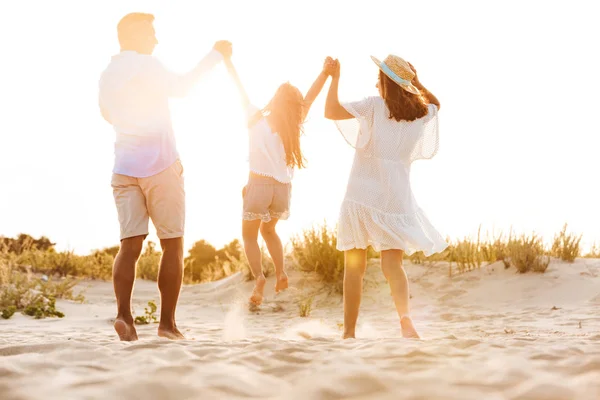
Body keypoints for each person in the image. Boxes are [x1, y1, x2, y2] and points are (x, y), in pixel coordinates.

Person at [98, 12, 231, 341]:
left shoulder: (107, 74)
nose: (155, 40)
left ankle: (124, 317)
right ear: (133, 36)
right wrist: (216, 54)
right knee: (173, 244)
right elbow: (184, 87)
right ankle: (167, 325)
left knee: (129, 246)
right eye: (150, 34)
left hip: (123, 168)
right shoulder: (147, 64)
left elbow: (106, 114)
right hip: (160, 165)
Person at [323, 55, 448, 339]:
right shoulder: (419, 113)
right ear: (404, 82)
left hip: (362, 195)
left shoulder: (373, 106)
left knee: (354, 267)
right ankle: (405, 321)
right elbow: (437, 105)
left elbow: (330, 111)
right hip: (396, 198)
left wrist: (335, 78)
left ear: (383, 81)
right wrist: (416, 81)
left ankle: (349, 332)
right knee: (393, 265)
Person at [224, 55, 332, 305]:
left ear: (275, 100)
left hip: (258, 183)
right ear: (294, 106)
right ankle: (281, 273)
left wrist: (228, 62)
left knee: (250, 236)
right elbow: (310, 97)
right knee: (269, 230)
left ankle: (260, 277)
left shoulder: (255, 118)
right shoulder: (294, 124)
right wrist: (325, 73)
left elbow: (238, 88)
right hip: (282, 189)